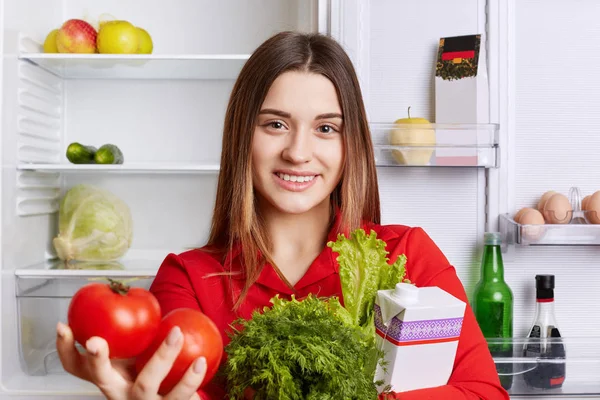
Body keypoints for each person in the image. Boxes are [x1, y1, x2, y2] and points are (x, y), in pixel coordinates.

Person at [56, 31, 510, 400]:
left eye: (326, 128)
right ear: (242, 137)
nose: (297, 152)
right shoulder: (189, 279)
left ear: (350, 146)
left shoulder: (407, 255)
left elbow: (483, 393)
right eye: (275, 124)